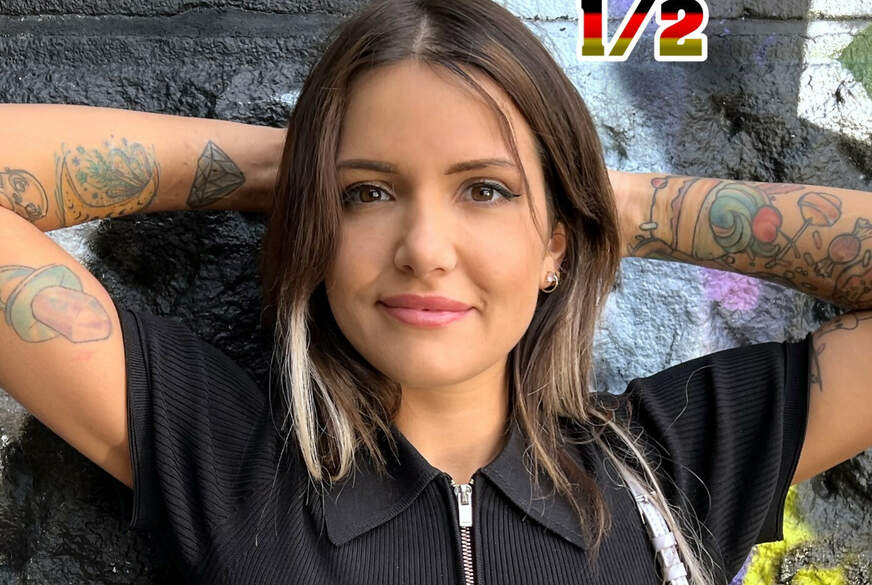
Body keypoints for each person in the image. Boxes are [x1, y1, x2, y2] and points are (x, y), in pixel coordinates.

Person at [0, 0, 870, 583]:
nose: (423, 249)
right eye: (367, 193)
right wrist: (287, 167)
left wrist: (613, 204)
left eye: (484, 190)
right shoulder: (227, 464)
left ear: (555, 247)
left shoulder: (679, 460)